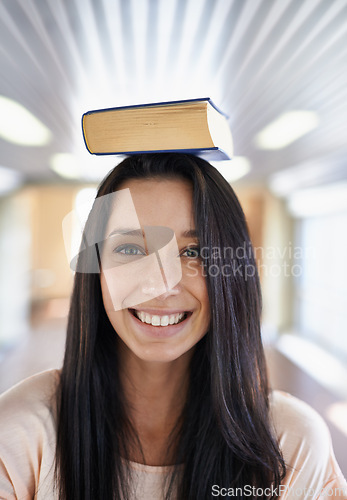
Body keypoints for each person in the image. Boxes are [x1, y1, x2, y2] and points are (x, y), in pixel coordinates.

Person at [0, 153, 346, 500]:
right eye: (132, 249)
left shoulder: (291, 443)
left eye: (193, 251)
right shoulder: (18, 433)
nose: (160, 284)